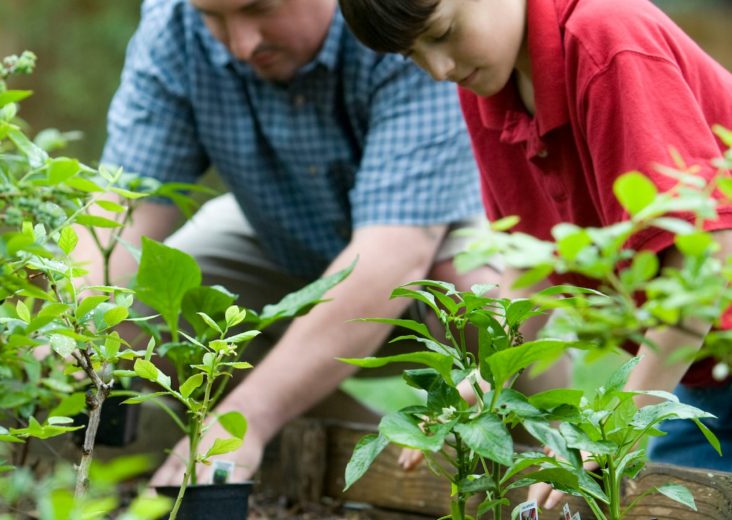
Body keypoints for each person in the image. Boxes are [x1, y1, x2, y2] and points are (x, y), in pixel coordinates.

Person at [75, 0, 517, 487]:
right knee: (148, 305)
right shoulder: (174, 26)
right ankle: (353, 455)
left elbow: (392, 256)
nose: (242, 44)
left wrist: (247, 418)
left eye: (259, 9)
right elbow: (123, 207)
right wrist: (73, 326)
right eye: (214, 19)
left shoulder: (398, 22)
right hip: (277, 234)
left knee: (480, 302)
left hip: (428, 239)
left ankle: (538, 462)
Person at [338, 0, 732, 509]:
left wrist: (610, 427)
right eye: (412, 54)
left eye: (442, 33)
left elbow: (705, 257)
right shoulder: (489, 87)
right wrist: (485, 381)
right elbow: (534, 260)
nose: (439, 69)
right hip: (702, 376)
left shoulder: (606, 40)